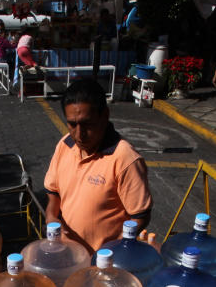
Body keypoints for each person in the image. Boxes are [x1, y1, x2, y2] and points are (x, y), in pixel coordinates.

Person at [44, 79, 152, 254]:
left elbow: (140, 216)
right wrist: (51, 216)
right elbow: (53, 191)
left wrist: (114, 251)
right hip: (67, 255)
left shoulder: (125, 158)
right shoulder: (65, 145)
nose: (79, 135)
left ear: (105, 115)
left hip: (103, 263)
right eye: (72, 124)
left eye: (87, 124)